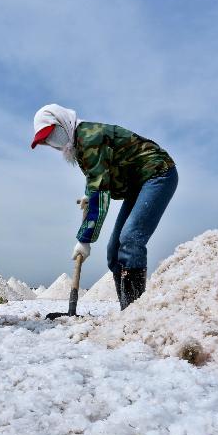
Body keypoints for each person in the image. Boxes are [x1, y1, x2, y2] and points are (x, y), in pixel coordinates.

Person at [31, 104, 178, 309]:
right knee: (114, 251)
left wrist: (85, 239)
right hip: (138, 184)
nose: (51, 141)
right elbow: (97, 178)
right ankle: (127, 309)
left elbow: (100, 194)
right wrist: (88, 195)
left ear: (63, 124)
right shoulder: (79, 143)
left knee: (130, 239)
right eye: (46, 139)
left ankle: (134, 313)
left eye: (52, 133)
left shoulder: (89, 138)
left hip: (158, 174)